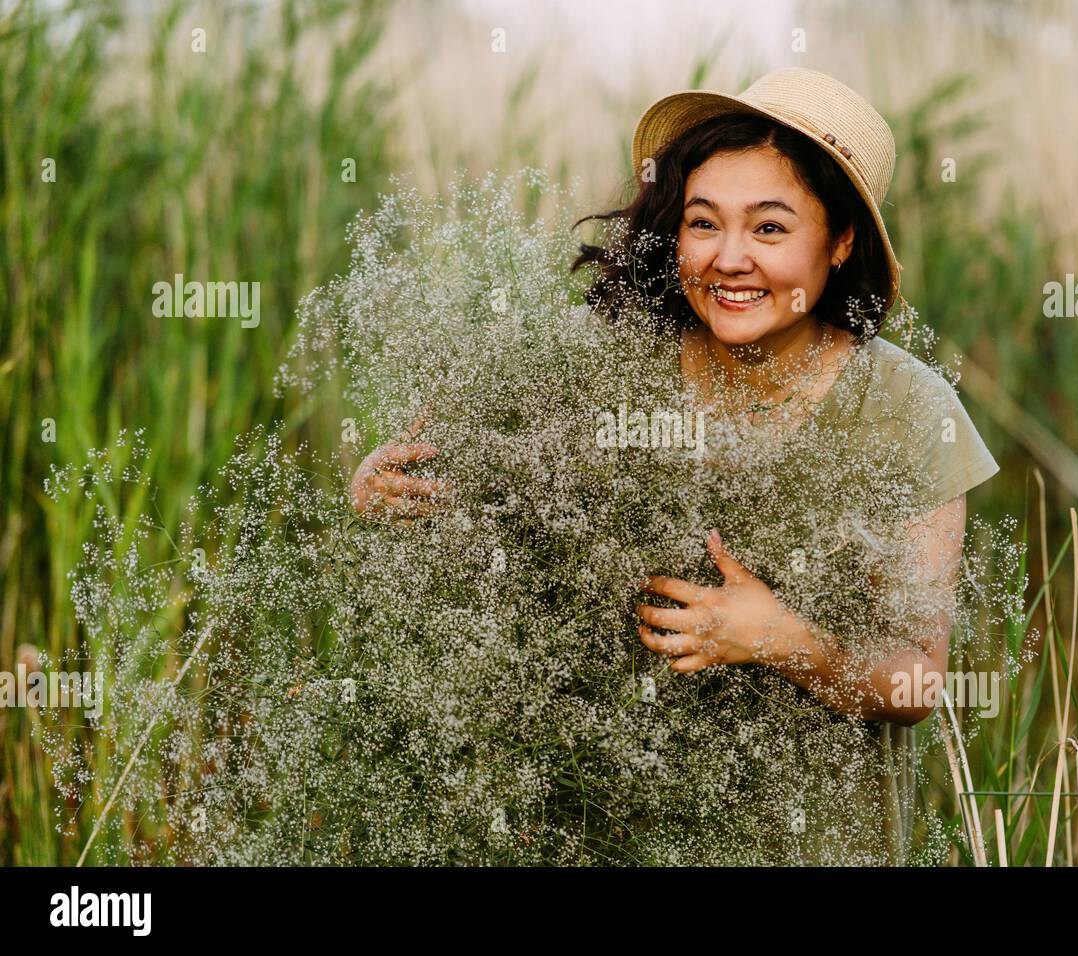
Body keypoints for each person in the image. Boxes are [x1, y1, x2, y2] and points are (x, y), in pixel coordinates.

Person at [351, 67, 1000, 863]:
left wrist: (781, 640)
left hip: (814, 843)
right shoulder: (605, 368)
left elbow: (916, 681)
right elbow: (476, 503)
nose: (729, 259)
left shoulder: (908, 412)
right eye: (704, 223)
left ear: (839, 241)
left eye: (769, 229)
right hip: (602, 829)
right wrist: (384, 488)